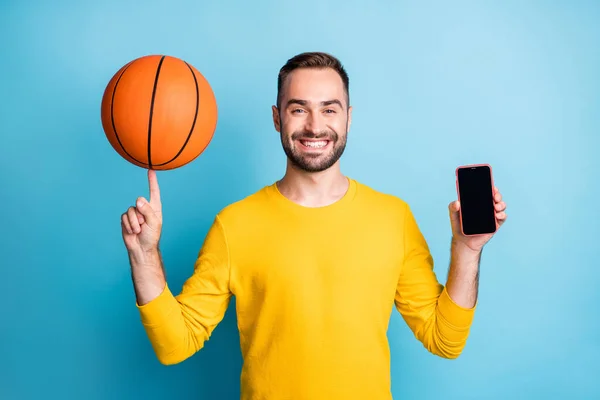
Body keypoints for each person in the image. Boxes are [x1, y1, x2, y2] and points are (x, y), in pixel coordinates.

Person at [120, 52, 507, 400]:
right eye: (299, 109)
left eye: (329, 109)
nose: (315, 126)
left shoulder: (393, 219)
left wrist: (467, 250)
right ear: (277, 118)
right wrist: (144, 255)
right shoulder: (234, 225)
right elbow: (175, 345)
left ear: (349, 118)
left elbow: (445, 339)